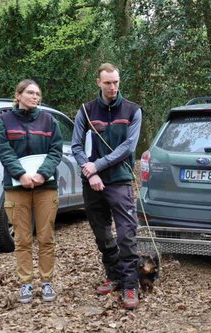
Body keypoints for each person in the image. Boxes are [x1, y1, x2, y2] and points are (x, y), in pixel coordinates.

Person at [71, 63, 142, 310]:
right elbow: (77, 147)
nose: (113, 88)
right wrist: (90, 173)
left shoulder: (133, 110)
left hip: (120, 180)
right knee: (101, 232)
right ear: (98, 82)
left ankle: (131, 284)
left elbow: (128, 147)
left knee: (126, 234)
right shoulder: (86, 111)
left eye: (116, 82)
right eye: (108, 83)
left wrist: (98, 166)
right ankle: (114, 275)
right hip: (92, 182)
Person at [0, 79, 63, 303]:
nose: (35, 97)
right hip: (16, 187)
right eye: (30, 93)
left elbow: (56, 151)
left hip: (46, 187)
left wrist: (42, 174)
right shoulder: (4, 121)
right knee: (22, 238)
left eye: (38, 94)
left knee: (46, 236)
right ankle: (25, 283)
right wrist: (21, 175)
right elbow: (4, 151)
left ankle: (46, 282)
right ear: (19, 94)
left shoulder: (49, 121)